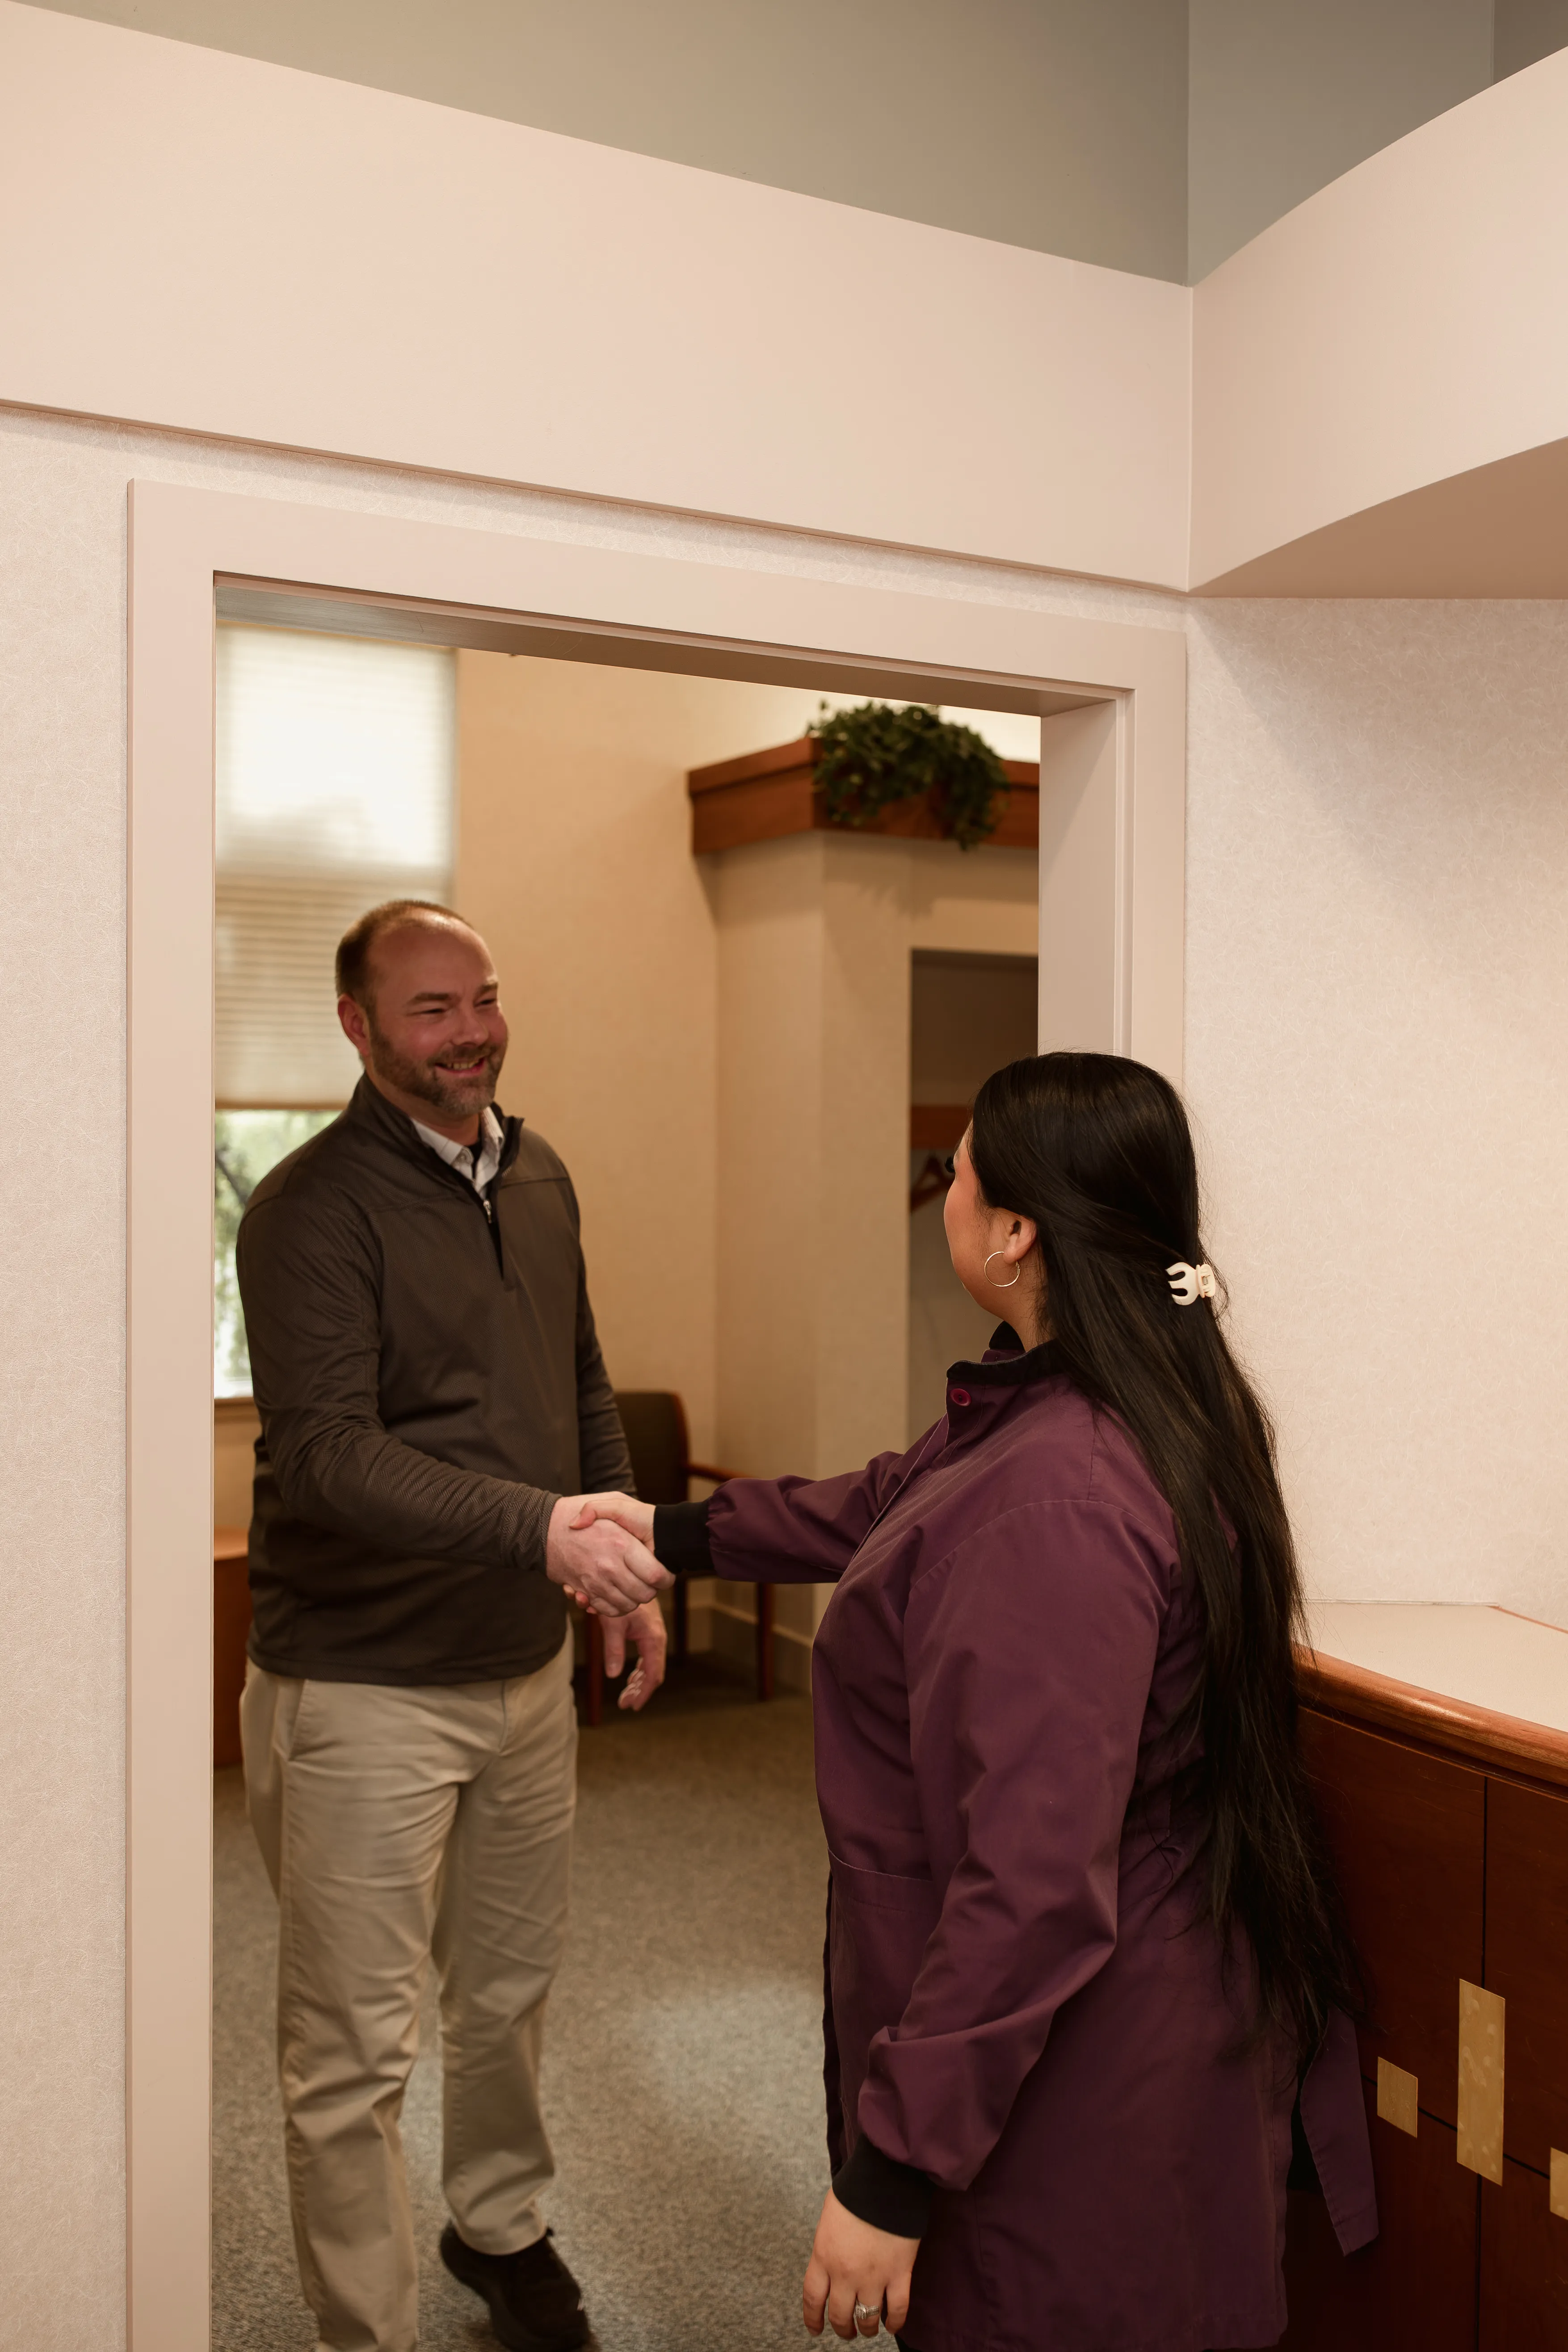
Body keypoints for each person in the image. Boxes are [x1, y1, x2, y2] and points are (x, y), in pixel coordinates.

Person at [583, 1052, 1376, 2351]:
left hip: (1082, 2080)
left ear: (1013, 1231)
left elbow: (1030, 1880)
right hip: (1142, 2024)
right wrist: (674, 1530)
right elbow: (885, 1495)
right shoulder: (1091, 1406)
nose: (937, 1187)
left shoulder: (1060, 1501)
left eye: (953, 1169)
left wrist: (890, 2167)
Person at [235, 898, 672, 2352]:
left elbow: (580, 1375)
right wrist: (539, 1528)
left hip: (524, 1666)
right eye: (430, 1008)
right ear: (357, 1029)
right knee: (352, 2053)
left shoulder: (536, 1171)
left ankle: (499, 2226)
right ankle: (365, 2329)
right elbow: (332, 1456)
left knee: (507, 1988)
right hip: (361, 1687)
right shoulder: (307, 1209)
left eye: (480, 995)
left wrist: (614, 1549)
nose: (470, 1028)